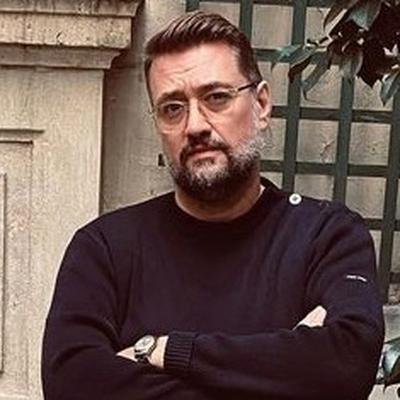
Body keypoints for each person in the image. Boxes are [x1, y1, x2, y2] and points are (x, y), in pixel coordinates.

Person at [42, 11, 384, 400]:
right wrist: (278, 375)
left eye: (216, 97)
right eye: (172, 107)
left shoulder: (325, 236)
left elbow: (348, 362)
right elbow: (71, 383)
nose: (195, 126)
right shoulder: (105, 248)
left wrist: (163, 351)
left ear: (261, 105)